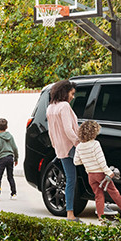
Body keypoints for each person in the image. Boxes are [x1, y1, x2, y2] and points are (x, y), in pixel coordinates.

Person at [73, 120, 121, 224]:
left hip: (91, 175)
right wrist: (108, 172)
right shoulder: (95, 144)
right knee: (113, 191)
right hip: (101, 174)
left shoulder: (79, 146)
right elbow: (101, 160)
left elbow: (76, 162)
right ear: (93, 132)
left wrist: (87, 161)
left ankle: (101, 218)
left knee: (98, 195)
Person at [45, 79, 82, 222]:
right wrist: (78, 143)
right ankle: (70, 214)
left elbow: (51, 132)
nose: (73, 97)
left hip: (61, 149)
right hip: (71, 147)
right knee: (73, 179)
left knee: (71, 179)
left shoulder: (50, 107)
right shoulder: (64, 106)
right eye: (72, 93)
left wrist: (56, 147)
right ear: (64, 92)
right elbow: (68, 129)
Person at [0, 118, 18, 201]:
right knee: (10, 177)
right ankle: (14, 194)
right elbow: (15, 148)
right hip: (10, 158)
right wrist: (16, 158)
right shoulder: (10, 136)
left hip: (2, 159)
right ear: (7, 127)